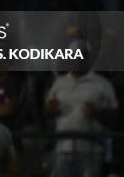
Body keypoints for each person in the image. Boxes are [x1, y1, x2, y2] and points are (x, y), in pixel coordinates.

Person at [44, 47, 118, 177]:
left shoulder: (102, 83)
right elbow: (47, 111)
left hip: (91, 147)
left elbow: (116, 114)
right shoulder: (59, 83)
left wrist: (97, 113)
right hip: (62, 147)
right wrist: (51, 110)